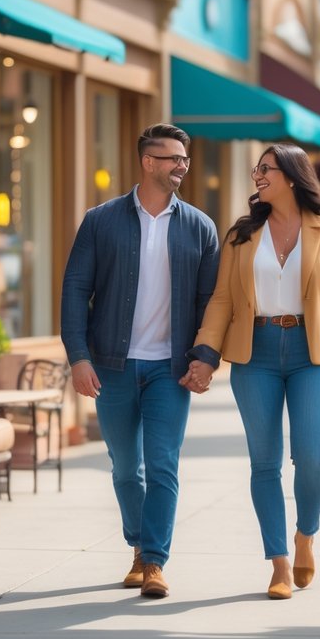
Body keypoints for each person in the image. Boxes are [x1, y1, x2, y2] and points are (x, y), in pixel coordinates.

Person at [184, 144, 320, 600]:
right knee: (264, 462)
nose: (257, 176)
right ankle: (279, 562)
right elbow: (222, 299)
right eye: (256, 169)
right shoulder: (242, 235)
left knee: (309, 455)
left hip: (312, 352)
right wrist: (205, 354)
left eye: (265, 169)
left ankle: (306, 534)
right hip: (255, 354)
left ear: (290, 175)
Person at [60, 123, 220, 599]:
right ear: (148, 162)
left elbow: (213, 301)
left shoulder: (200, 226)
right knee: (127, 467)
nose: (182, 166)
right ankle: (137, 544)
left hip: (170, 369)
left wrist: (206, 357)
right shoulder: (101, 220)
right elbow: (74, 291)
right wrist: (78, 357)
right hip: (111, 365)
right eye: (173, 158)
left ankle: (153, 560)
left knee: (164, 464)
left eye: (185, 159)